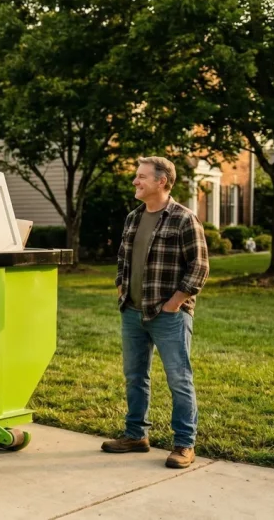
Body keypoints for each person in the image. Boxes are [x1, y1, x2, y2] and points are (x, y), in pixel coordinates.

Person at [102, 156, 209, 468]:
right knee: (135, 376)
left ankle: (184, 444)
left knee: (179, 378)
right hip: (132, 311)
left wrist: (175, 302)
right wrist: (122, 287)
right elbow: (122, 259)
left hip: (169, 316)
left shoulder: (184, 218)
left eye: (141, 177)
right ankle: (136, 435)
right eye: (137, 176)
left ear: (161, 181)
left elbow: (199, 267)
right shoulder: (133, 217)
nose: (136, 181)